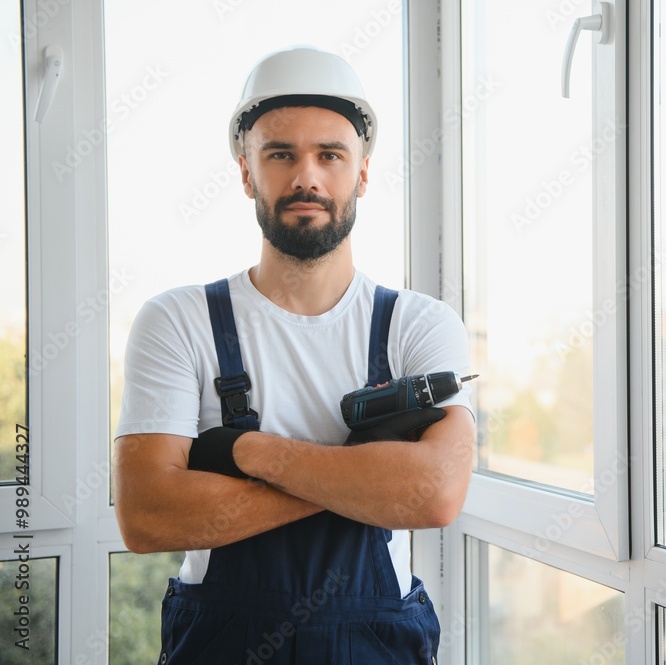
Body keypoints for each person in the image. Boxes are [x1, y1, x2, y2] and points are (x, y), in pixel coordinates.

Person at [112, 45, 475, 664]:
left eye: (330, 155)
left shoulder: (419, 324)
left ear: (361, 172)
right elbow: (147, 516)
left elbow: (434, 496)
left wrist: (249, 452)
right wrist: (364, 476)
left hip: (375, 642)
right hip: (221, 643)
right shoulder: (177, 320)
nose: (306, 176)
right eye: (280, 154)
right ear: (247, 172)